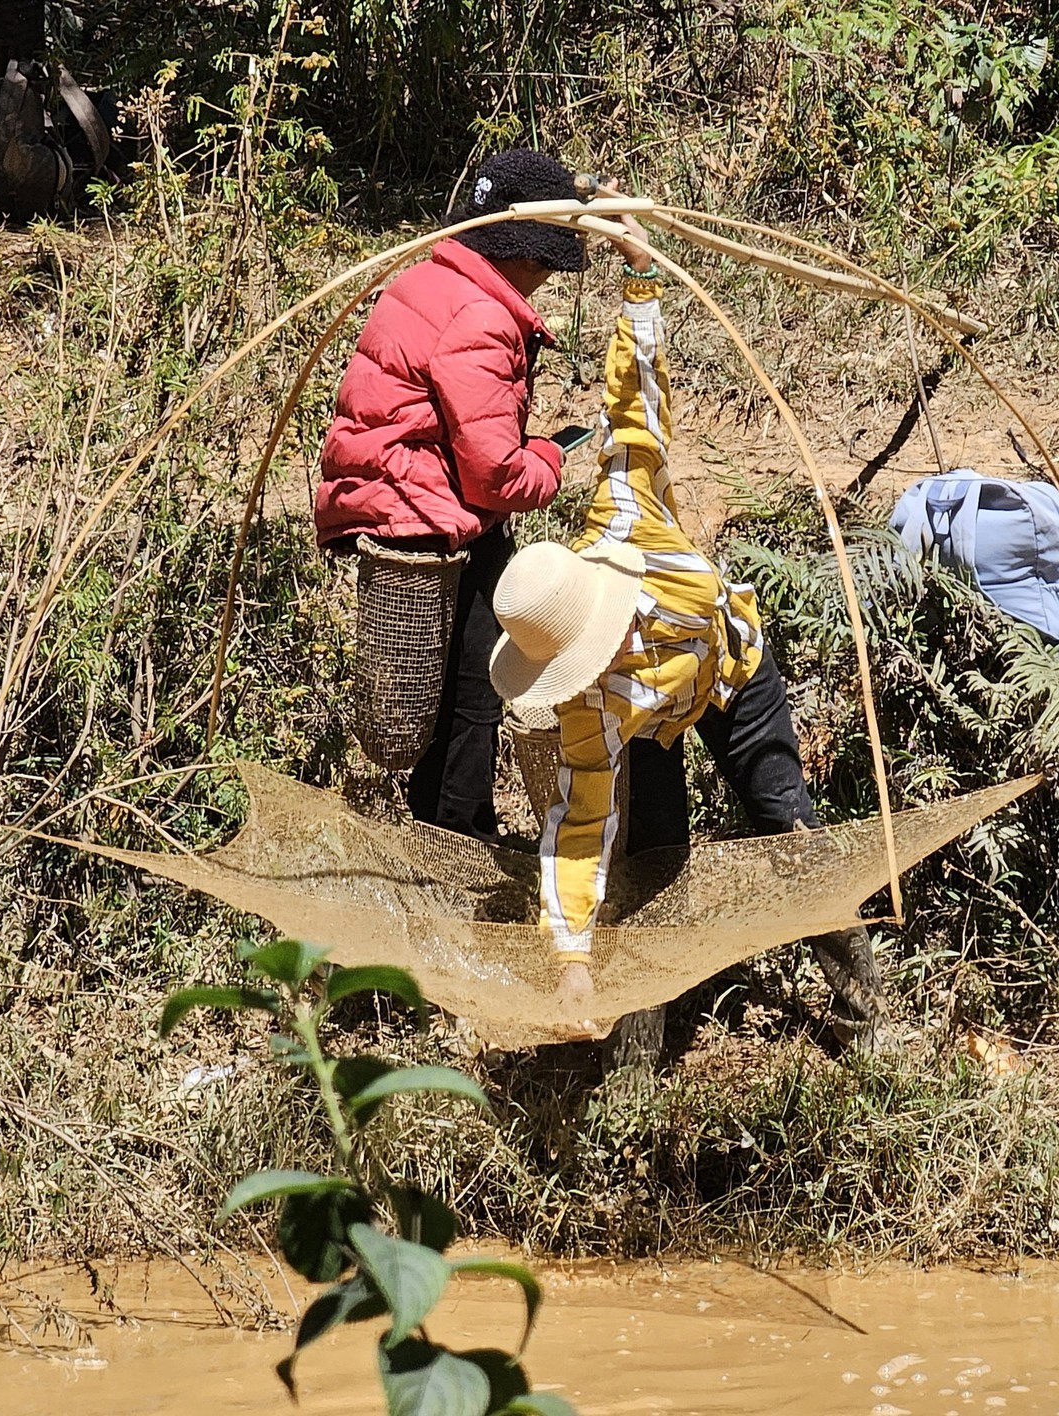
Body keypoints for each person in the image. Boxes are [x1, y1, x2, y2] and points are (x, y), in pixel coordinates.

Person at [487, 207, 888, 1064]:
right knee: (648, 875)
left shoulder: (629, 517)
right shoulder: (588, 710)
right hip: (650, 726)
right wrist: (569, 961)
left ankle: (860, 1007)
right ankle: (638, 1062)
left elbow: (633, 404)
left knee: (788, 830)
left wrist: (639, 277)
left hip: (733, 672)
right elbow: (576, 831)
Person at [315, 150, 589, 842]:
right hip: (430, 518)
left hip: (408, 505)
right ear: (524, 255)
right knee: (475, 689)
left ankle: (439, 819)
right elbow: (494, 474)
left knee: (449, 687)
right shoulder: (483, 318)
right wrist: (552, 459)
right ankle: (457, 833)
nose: (547, 281)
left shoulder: (430, 279)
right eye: (547, 265)